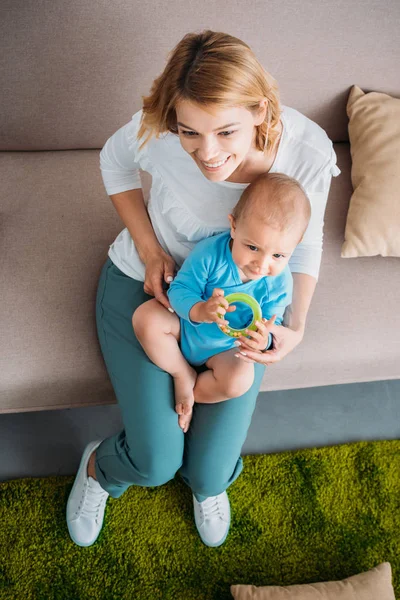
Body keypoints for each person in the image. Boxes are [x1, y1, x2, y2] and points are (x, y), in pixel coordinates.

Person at [66, 29, 340, 549]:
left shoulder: (306, 152)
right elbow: (114, 162)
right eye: (190, 132)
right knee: (154, 462)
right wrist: (150, 250)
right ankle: (100, 469)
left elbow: (304, 243)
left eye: (225, 132)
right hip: (155, 294)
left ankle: (207, 483)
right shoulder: (163, 130)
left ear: (261, 110)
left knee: (211, 473)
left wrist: (294, 327)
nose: (207, 154)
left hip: (233, 322)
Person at [132, 173, 311, 434]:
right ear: (234, 227)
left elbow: (273, 324)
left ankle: (195, 393)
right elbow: (180, 290)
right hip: (186, 327)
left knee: (239, 382)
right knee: (146, 318)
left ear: (295, 247)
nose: (262, 264)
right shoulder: (210, 253)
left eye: (278, 255)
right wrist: (200, 310)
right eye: (252, 247)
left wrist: (262, 342)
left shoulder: (279, 283)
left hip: (226, 349)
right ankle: (182, 374)